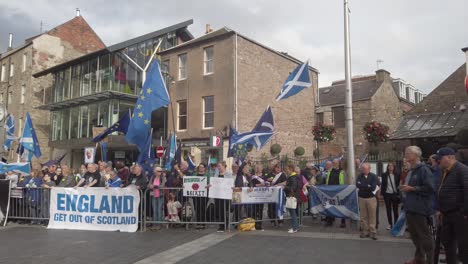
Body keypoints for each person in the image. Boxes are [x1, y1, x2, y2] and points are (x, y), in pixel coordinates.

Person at [401, 146, 435, 264]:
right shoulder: (412, 169)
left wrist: (412, 188)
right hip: (410, 207)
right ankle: (419, 258)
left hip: (420, 208)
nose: (405, 155)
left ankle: (430, 260)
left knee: (424, 236)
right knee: (415, 236)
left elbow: (430, 188)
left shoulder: (424, 169)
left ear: (415, 155)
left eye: (407, 153)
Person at [435, 147, 468, 264]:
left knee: (464, 246)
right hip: (447, 213)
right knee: (448, 243)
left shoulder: (462, 170)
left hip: (459, 214)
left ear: (450, 157)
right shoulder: (445, 171)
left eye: (440, 158)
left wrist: (465, 212)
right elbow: (441, 190)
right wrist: (439, 209)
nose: (438, 161)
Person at [356, 163, 378, 240]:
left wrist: (363, 186)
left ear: (369, 169)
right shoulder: (359, 176)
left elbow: (373, 187)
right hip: (361, 198)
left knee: (372, 215)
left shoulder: (374, 176)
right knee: (363, 216)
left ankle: (373, 232)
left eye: (365, 169)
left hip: (371, 199)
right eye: (363, 169)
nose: (363, 170)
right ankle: (365, 231)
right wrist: (367, 186)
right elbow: (357, 185)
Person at [325, 159, 346, 228]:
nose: (334, 164)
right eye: (333, 162)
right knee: (330, 206)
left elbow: (344, 181)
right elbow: (327, 180)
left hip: (340, 191)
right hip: (330, 191)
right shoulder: (329, 171)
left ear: (338, 163)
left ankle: (343, 222)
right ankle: (330, 221)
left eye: (336, 163)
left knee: (341, 206)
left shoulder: (342, 171)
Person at [381, 162, 401, 230]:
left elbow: (399, 184)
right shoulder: (384, 175)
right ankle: (390, 224)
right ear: (387, 167)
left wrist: (398, 193)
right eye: (389, 166)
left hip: (394, 194)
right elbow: (383, 185)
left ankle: (396, 223)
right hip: (387, 194)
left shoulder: (397, 175)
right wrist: (382, 194)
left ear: (394, 167)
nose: (390, 167)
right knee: (388, 210)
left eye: (392, 166)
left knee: (395, 210)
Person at [212, 161, 231, 232]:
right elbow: (213, 182)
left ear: (223, 166)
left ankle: (225, 225)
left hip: (225, 195)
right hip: (217, 194)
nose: (218, 167)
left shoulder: (228, 173)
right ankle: (221, 225)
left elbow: (230, 182)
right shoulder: (216, 174)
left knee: (224, 209)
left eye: (219, 166)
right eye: (218, 166)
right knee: (218, 209)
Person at [284, 163, 301, 233]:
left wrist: (285, 187)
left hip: (292, 196)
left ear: (290, 169)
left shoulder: (293, 177)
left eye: (287, 169)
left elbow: (292, 188)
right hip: (293, 196)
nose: (286, 171)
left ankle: (294, 228)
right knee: (292, 212)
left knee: (293, 212)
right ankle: (295, 226)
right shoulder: (293, 177)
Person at [193, 163, 209, 230]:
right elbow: (190, 182)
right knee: (197, 208)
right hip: (196, 195)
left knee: (202, 209)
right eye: (200, 167)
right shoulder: (194, 174)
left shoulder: (207, 175)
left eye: (202, 167)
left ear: (204, 168)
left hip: (204, 195)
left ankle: (202, 223)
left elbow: (209, 183)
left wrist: (208, 185)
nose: (201, 168)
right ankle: (198, 223)